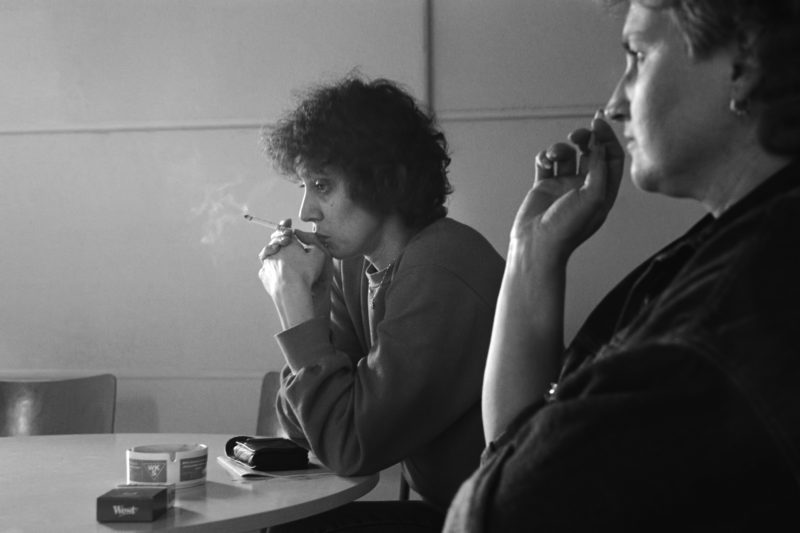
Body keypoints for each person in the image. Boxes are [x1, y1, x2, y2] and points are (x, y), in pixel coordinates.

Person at [444, 0, 800, 531]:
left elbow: (499, 514)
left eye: (637, 54)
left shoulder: (728, 318)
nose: (613, 103)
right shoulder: (733, 243)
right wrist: (533, 252)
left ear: (744, 62)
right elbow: (515, 447)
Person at [257, 74, 505, 531]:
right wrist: (308, 300)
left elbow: (349, 447)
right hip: (449, 510)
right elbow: (307, 432)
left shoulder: (442, 268)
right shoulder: (356, 265)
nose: (307, 211)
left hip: (497, 519)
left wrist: (292, 307)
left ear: (384, 180)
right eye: (304, 187)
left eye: (323, 186)